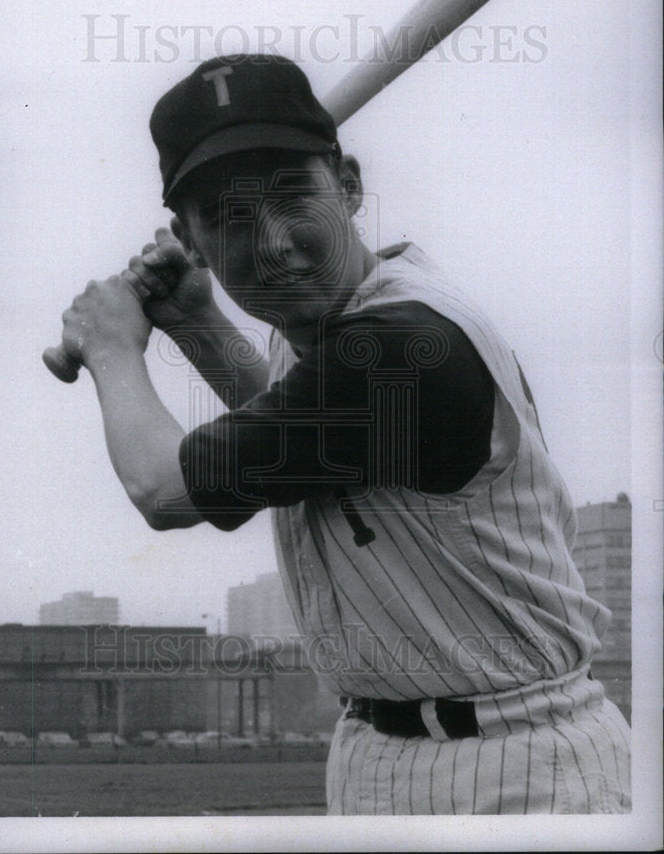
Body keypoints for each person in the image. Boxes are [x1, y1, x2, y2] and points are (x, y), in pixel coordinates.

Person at [61, 53, 631, 814]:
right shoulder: (321, 327)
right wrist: (197, 321)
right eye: (229, 217)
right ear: (189, 240)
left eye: (294, 195)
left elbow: (162, 490)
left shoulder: (399, 343)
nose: (273, 243)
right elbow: (304, 442)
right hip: (375, 752)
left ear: (351, 186)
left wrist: (111, 347)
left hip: (517, 764)